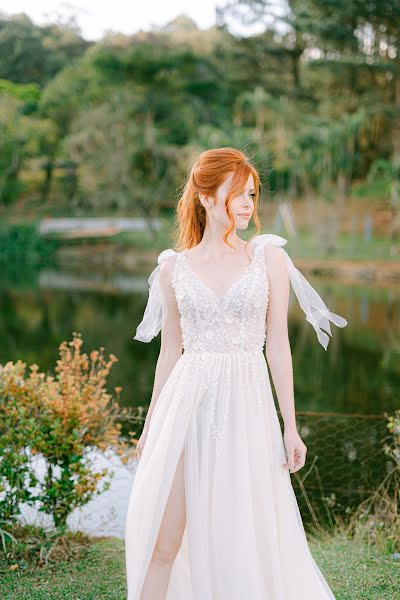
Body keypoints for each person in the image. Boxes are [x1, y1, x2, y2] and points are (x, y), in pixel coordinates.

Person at [125, 147, 347, 599]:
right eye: (237, 194)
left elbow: (278, 348)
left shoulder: (268, 259)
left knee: (244, 537)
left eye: (252, 194)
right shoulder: (174, 268)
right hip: (185, 406)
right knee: (163, 540)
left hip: (247, 409)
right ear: (205, 198)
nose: (248, 204)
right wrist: (152, 427)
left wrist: (291, 426)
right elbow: (170, 353)